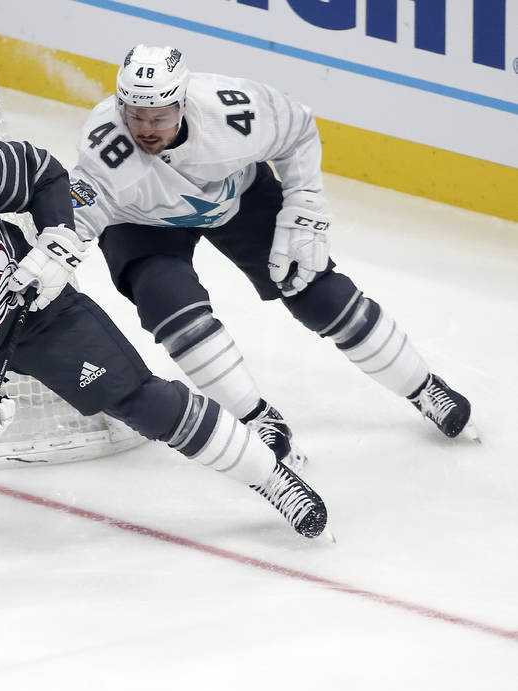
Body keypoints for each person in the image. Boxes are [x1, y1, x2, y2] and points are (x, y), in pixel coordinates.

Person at [0, 106, 330, 592]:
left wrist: (57, 238)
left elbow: (44, 173)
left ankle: (269, 475)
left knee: (142, 402)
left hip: (37, 313)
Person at [69, 45, 476, 467]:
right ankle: (257, 417)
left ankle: (423, 386)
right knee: (172, 308)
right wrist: (53, 259)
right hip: (143, 222)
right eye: (135, 114)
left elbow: (298, 127)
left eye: (159, 117)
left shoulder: (232, 111)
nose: (145, 128)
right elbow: (80, 213)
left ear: (183, 102)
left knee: (314, 289)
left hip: (235, 196)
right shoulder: (105, 145)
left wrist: (304, 204)